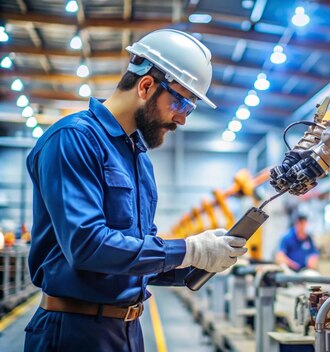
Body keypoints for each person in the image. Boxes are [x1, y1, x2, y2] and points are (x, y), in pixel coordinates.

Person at [24, 29, 247, 352]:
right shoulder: (73, 139)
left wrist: (199, 262)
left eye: (191, 108)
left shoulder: (139, 160)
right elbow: (87, 246)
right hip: (73, 333)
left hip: (127, 332)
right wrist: (187, 250)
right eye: (181, 102)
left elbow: (137, 256)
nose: (182, 119)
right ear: (146, 86)